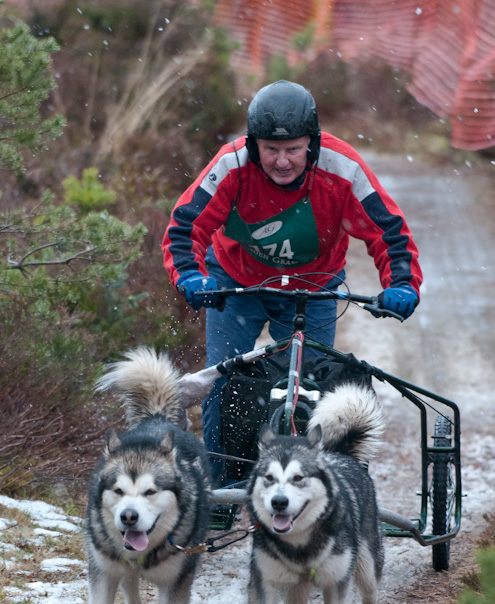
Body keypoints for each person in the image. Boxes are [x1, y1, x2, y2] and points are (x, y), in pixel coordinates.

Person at [162, 80, 423, 484]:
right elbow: (184, 227)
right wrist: (191, 276)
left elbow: (388, 231)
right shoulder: (231, 166)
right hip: (237, 283)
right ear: (254, 146)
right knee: (222, 381)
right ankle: (222, 489)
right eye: (270, 150)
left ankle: (305, 483)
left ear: (312, 144)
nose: (282, 161)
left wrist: (402, 284)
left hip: (313, 287)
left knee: (309, 388)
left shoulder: (343, 168)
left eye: (293, 150)